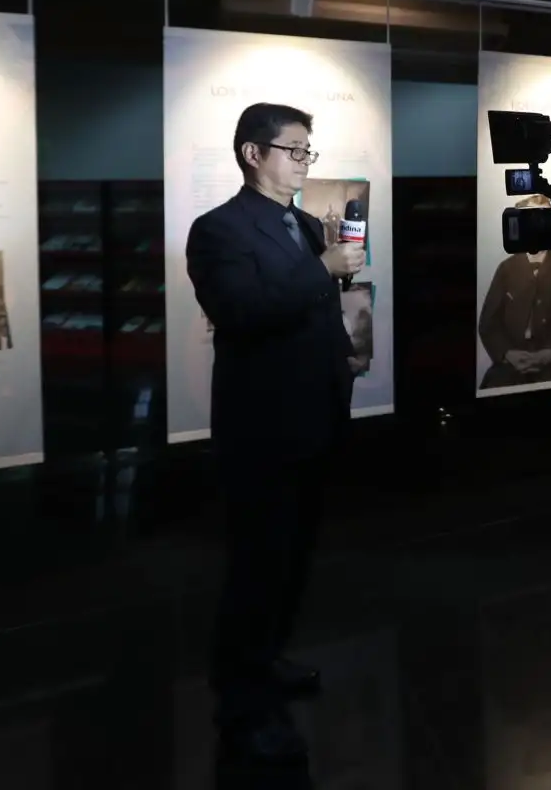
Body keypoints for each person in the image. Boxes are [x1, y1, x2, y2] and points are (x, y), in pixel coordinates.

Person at [185, 102, 365, 764]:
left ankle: (268, 660)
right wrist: (322, 272)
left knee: (293, 559)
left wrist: (341, 363)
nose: (303, 162)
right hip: (261, 426)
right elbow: (239, 310)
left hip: (315, 416)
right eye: (294, 149)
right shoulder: (218, 231)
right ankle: (240, 699)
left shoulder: (302, 226)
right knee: (255, 566)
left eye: (308, 151)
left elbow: (313, 310)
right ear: (252, 154)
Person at [478, 196, 551, 390]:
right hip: (511, 361)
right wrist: (506, 353)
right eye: (530, 219)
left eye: (544, 218)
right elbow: (489, 321)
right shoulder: (507, 268)